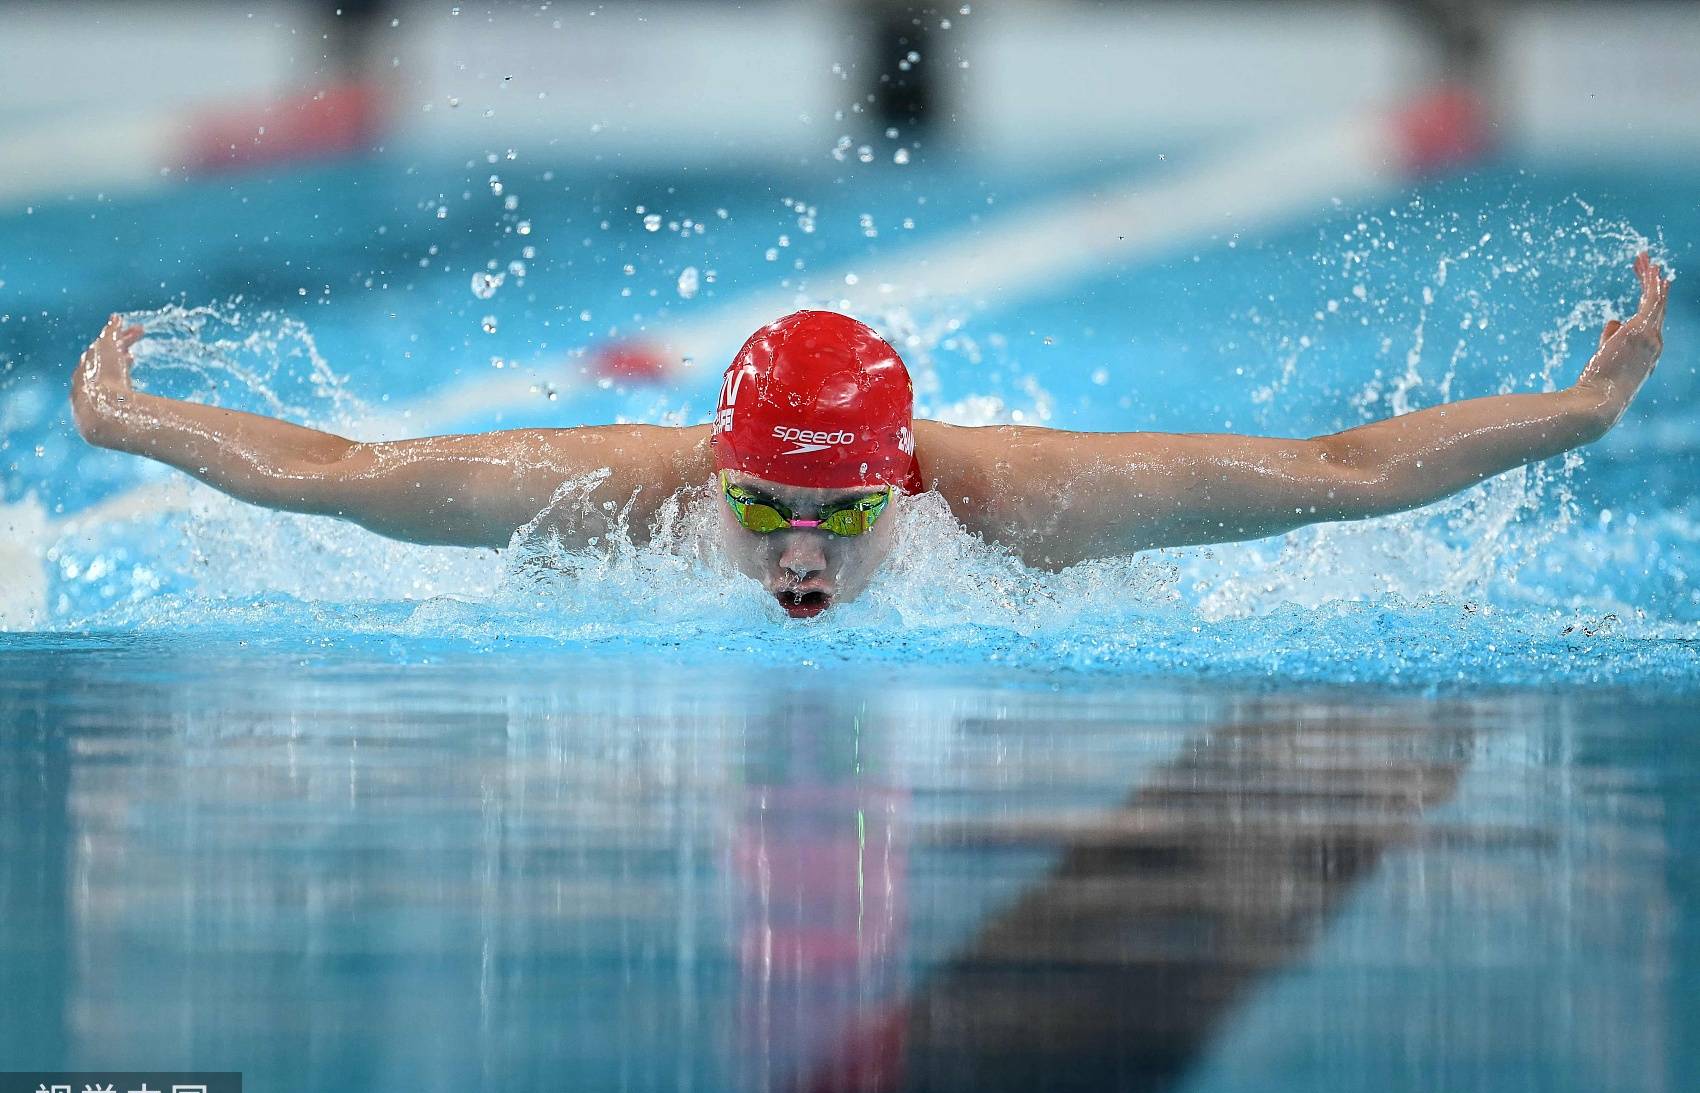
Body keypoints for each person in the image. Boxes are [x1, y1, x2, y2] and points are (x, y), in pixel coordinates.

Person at [70, 254, 1670, 619]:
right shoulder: (617, 505)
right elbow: (346, 482)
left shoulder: (1027, 509)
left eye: (846, 515)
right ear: (720, 469)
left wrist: (1581, 413)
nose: (803, 551)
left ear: (902, 477)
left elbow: (1336, 476)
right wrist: (134, 423)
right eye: (771, 506)